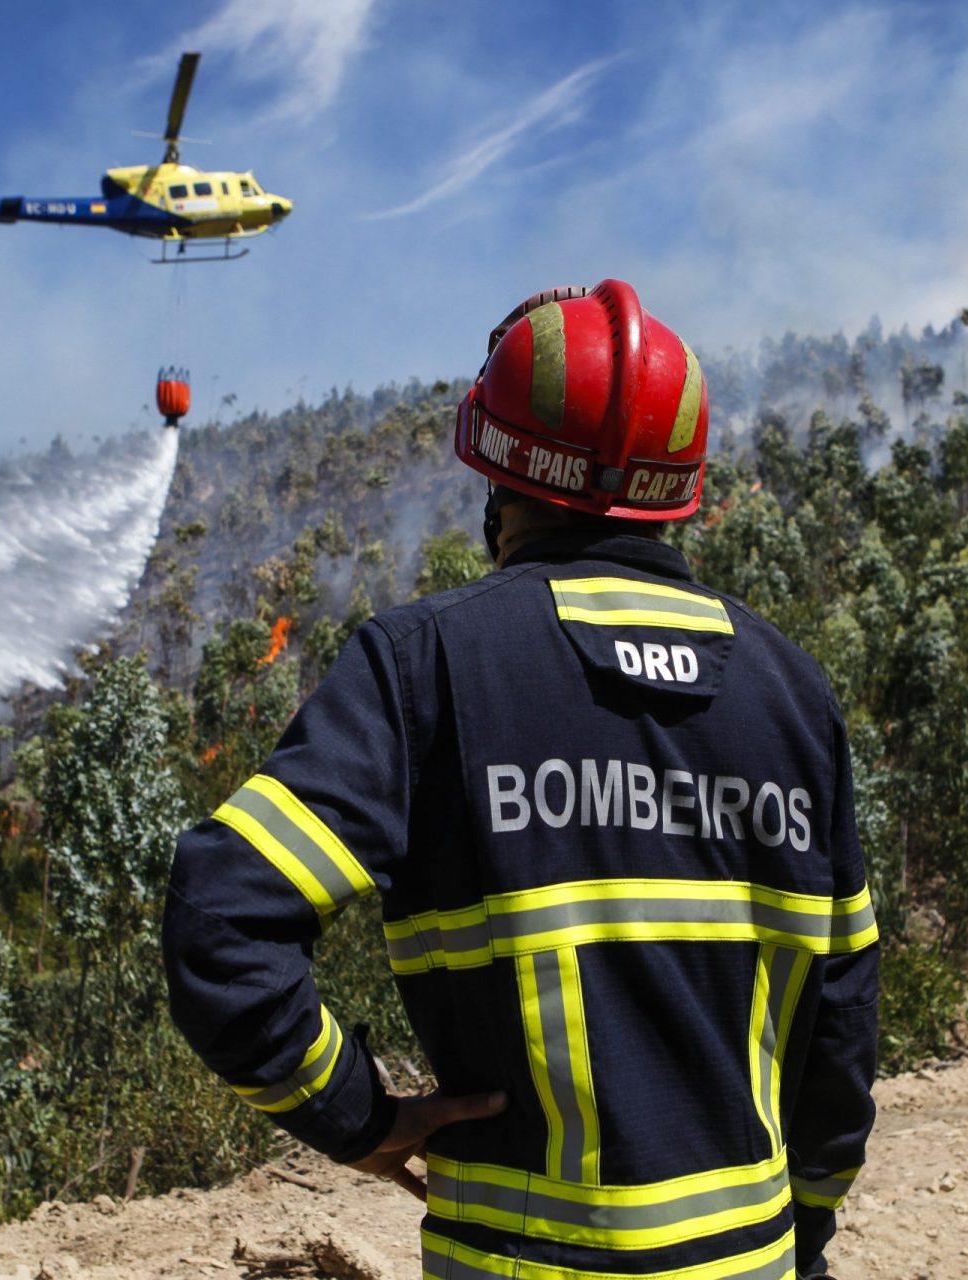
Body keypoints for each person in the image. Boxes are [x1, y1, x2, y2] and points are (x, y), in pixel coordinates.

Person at [163, 280, 880, 1279]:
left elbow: (222, 917)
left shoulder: (428, 663)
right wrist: (800, 1232)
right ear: (681, 487)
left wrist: (354, 1113)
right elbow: (841, 1019)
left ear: (497, 471)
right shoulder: (795, 694)